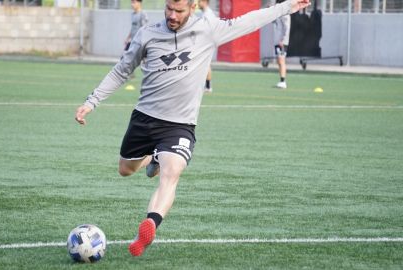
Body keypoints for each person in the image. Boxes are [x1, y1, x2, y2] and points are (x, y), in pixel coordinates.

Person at [75, 0, 311, 257]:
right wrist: (92, 101)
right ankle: (153, 157)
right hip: (144, 118)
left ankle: (150, 225)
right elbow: (122, 70)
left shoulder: (208, 29)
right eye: (169, 9)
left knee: (171, 173)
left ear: (192, 7)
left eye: (179, 11)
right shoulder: (148, 33)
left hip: (180, 124)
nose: (172, 16)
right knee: (125, 170)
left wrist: (286, 6)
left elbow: (251, 20)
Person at [197, 0, 217, 93]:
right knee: (203, 64)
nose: (198, 3)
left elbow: (209, 30)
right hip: (205, 42)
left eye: (199, 1)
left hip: (206, 43)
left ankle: (208, 87)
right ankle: (206, 86)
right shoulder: (205, 13)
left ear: (204, 2)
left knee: (206, 64)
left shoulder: (208, 14)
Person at [273, 0, 291, 89]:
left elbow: (287, 28)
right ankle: (281, 80)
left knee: (281, 60)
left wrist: (283, 40)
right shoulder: (278, 13)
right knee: (279, 61)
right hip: (277, 41)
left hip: (281, 42)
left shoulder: (285, 14)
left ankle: (283, 81)